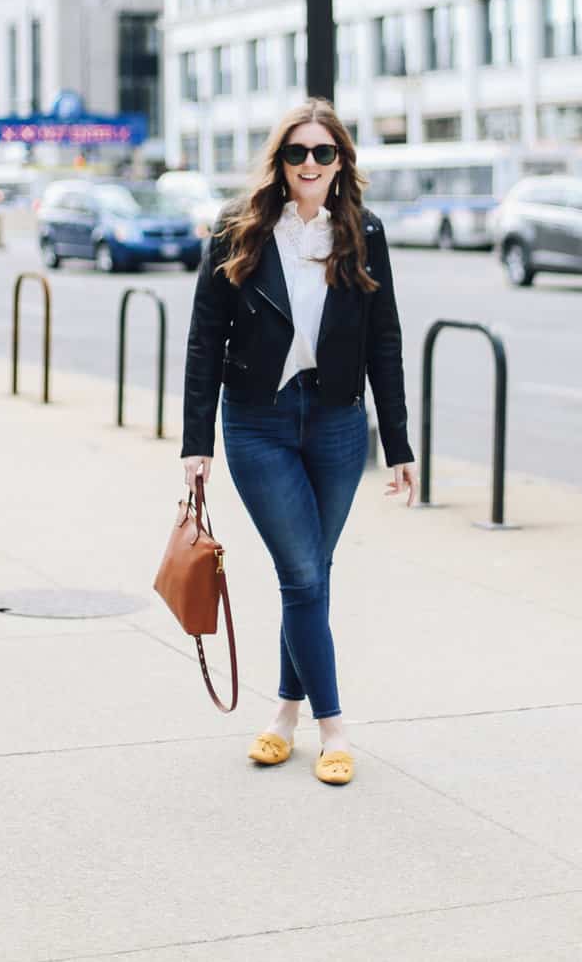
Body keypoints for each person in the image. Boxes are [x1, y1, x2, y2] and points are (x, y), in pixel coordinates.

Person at [181, 98, 418, 786]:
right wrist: (197, 442)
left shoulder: (363, 233)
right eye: (296, 153)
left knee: (307, 574)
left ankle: (284, 715)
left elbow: (386, 341)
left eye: (323, 153)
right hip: (259, 422)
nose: (309, 164)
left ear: (341, 162)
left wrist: (397, 444)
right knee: (306, 575)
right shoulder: (240, 231)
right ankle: (333, 728)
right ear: (278, 162)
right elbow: (205, 341)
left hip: (340, 423)